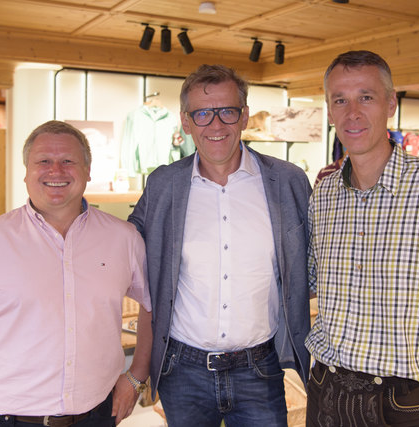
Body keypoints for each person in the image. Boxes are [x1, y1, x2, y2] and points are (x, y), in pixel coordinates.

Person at [0, 120, 152, 427]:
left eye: (68, 161)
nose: (56, 171)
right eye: (43, 161)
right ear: (26, 173)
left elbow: (151, 307)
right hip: (9, 420)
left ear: (88, 171)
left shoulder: (124, 238)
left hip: (97, 416)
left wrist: (136, 375)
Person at [305, 50, 419, 427]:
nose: (352, 113)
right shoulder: (323, 195)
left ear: (390, 104)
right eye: (340, 100)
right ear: (329, 108)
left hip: (406, 403)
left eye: (365, 97)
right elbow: (307, 282)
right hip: (327, 390)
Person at [128, 64, 312, 427]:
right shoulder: (164, 184)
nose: (215, 125)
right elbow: (124, 248)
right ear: (185, 121)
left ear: (244, 116)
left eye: (227, 111)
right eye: (202, 113)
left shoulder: (287, 181)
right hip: (183, 372)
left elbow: (316, 260)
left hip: (261, 369)